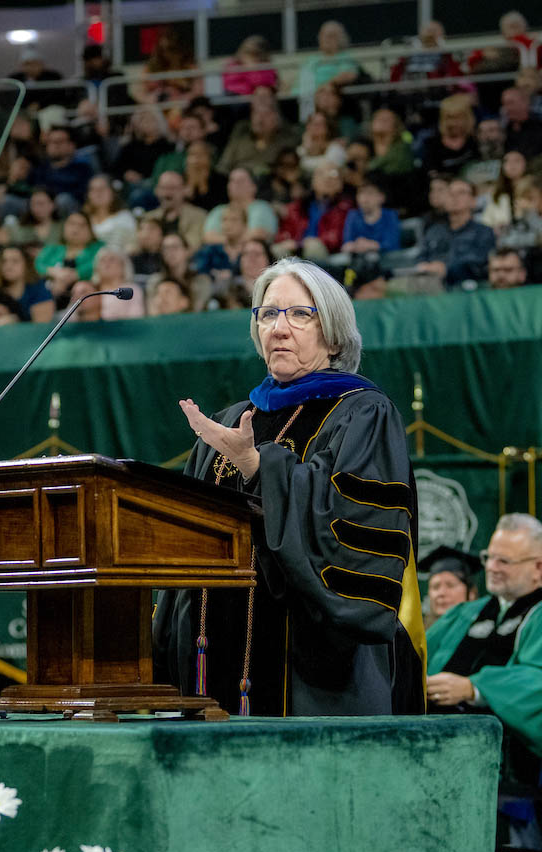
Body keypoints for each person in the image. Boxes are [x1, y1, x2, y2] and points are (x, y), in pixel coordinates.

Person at [153, 257, 422, 716]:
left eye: (300, 313)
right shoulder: (233, 421)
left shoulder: (363, 413)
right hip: (212, 664)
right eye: (267, 313)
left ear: (333, 333)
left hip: (315, 672)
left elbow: (351, 530)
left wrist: (258, 467)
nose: (279, 328)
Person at [426, 513, 542, 816]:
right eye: (490, 557)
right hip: (439, 738)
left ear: (538, 567)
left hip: (506, 757)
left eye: (505, 561)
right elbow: (418, 655)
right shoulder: (466, 613)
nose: (491, 567)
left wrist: (473, 688)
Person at [412, 179, 496, 288]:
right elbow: (421, 257)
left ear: (473, 200)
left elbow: (479, 262)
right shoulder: (434, 231)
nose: (454, 197)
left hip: (469, 288)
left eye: (461, 193)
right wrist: (423, 266)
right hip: (432, 288)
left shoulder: (484, 232)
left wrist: (446, 269)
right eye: (450, 193)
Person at [35, 211, 103, 302]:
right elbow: (37, 264)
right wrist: (54, 272)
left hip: (87, 298)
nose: (75, 229)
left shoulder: (98, 248)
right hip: (50, 296)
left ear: (90, 230)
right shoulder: (52, 248)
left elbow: (99, 264)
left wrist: (77, 274)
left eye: (82, 225)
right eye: (72, 224)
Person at [296, 21, 361, 115]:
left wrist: (325, 86)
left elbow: (350, 74)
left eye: (331, 36)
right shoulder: (312, 59)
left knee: (325, 98)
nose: (326, 39)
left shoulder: (343, 57)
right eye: (323, 35)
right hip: (301, 97)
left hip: (322, 96)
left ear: (340, 39)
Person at [0, 246, 53, 324]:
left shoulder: (38, 290)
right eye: (4, 261)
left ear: (26, 264)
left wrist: (16, 322)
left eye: (15, 261)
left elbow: (42, 328)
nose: (8, 266)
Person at [418, 545, 482, 629]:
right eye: (435, 587)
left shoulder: (483, 634)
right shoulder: (419, 637)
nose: (441, 593)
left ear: (471, 593)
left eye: (450, 585)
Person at [144, 170, 206, 253]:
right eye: (163, 188)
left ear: (184, 190)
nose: (167, 194)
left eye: (172, 188)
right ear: (157, 190)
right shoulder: (149, 217)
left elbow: (192, 245)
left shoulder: (198, 216)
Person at [420, 94, 479, 180]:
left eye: (458, 118)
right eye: (449, 118)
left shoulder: (475, 140)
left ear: (467, 117)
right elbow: (432, 175)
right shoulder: (432, 145)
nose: (453, 123)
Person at [341, 180, 400, 255]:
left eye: (370, 193)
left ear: (381, 197)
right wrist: (353, 246)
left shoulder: (390, 215)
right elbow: (347, 243)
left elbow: (392, 244)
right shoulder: (353, 215)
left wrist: (371, 245)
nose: (364, 199)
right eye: (361, 193)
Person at [83, 174, 137, 252]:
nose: (98, 193)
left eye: (102, 189)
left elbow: (133, 245)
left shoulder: (124, 217)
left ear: (113, 192)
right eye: (93, 190)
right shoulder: (83, 219)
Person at [92, 247, 145, 320]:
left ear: (123, 265)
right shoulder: (89, 290)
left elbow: (135, 319)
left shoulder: (131, 290)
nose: (106, 264)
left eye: (112, 259)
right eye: (102, 260)